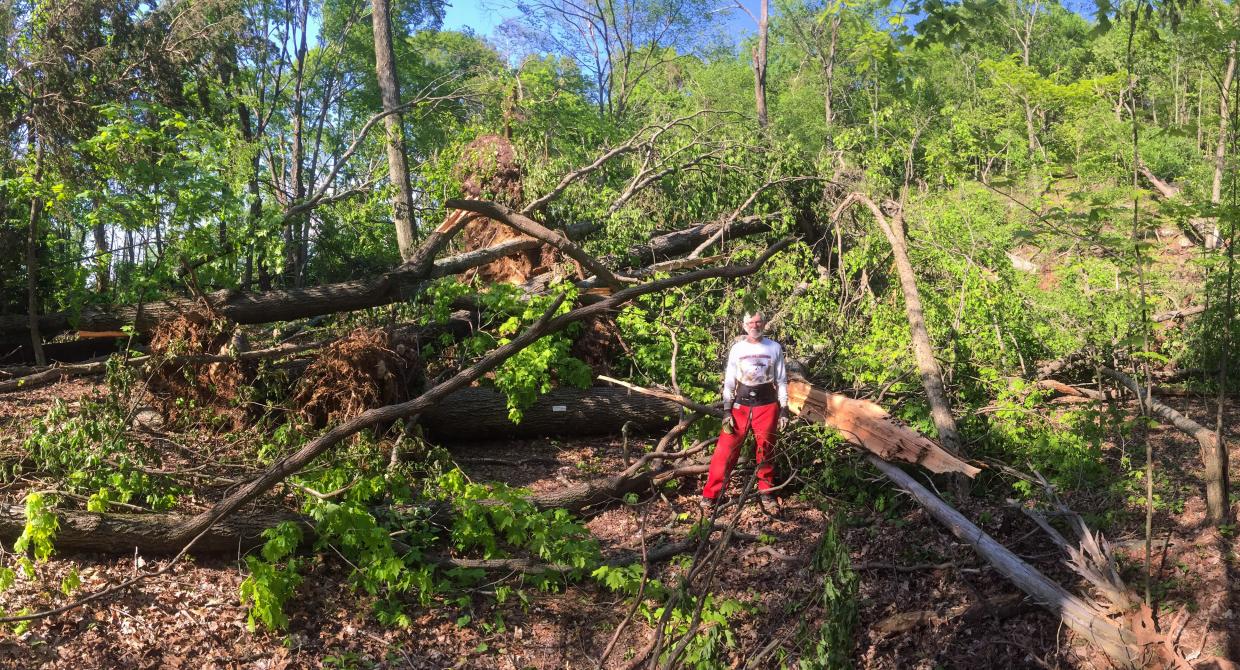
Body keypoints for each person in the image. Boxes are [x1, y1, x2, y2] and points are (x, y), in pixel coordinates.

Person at [701, 310, 789, 512]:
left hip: (767, 404)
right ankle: (710, 496)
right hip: (740, 405)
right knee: (725, 450)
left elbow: (781, 380)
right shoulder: (737, 349)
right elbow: (730, 380)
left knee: (766, 451)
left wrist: (784, 408)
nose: (754, 325)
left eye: (758, 322)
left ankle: (766, 494)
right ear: (743, 325)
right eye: (750, 322)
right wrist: (726, 410)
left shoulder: (774, 348)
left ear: (764, 324)